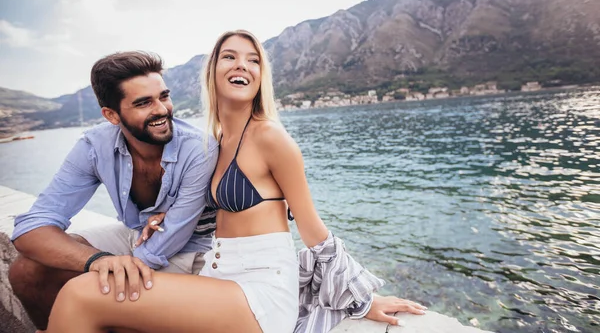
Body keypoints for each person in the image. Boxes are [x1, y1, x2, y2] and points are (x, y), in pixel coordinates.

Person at [45, 30, 426, 333]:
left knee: (81, 294)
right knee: (115, 319)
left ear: (261, 76)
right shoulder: (214, 143)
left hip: (260, 290)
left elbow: (313, 231)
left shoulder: (270, 137)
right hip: (219, 274)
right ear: (212, 70)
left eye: (253, 59)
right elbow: (202, 207)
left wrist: (359, 299)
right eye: (229, 56)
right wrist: (163, 212)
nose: (241, 64)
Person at [9, 51, 219, 331]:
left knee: (102, 297)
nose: (161, 109)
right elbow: (30, 228)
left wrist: (109, 270)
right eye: (144, 103)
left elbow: (169, 240)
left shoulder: (198, 148)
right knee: (26, 271)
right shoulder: (95, 146)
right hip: (137, 235)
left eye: (163, 96)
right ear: (111, 115)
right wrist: (98, 260)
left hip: (187, 250)